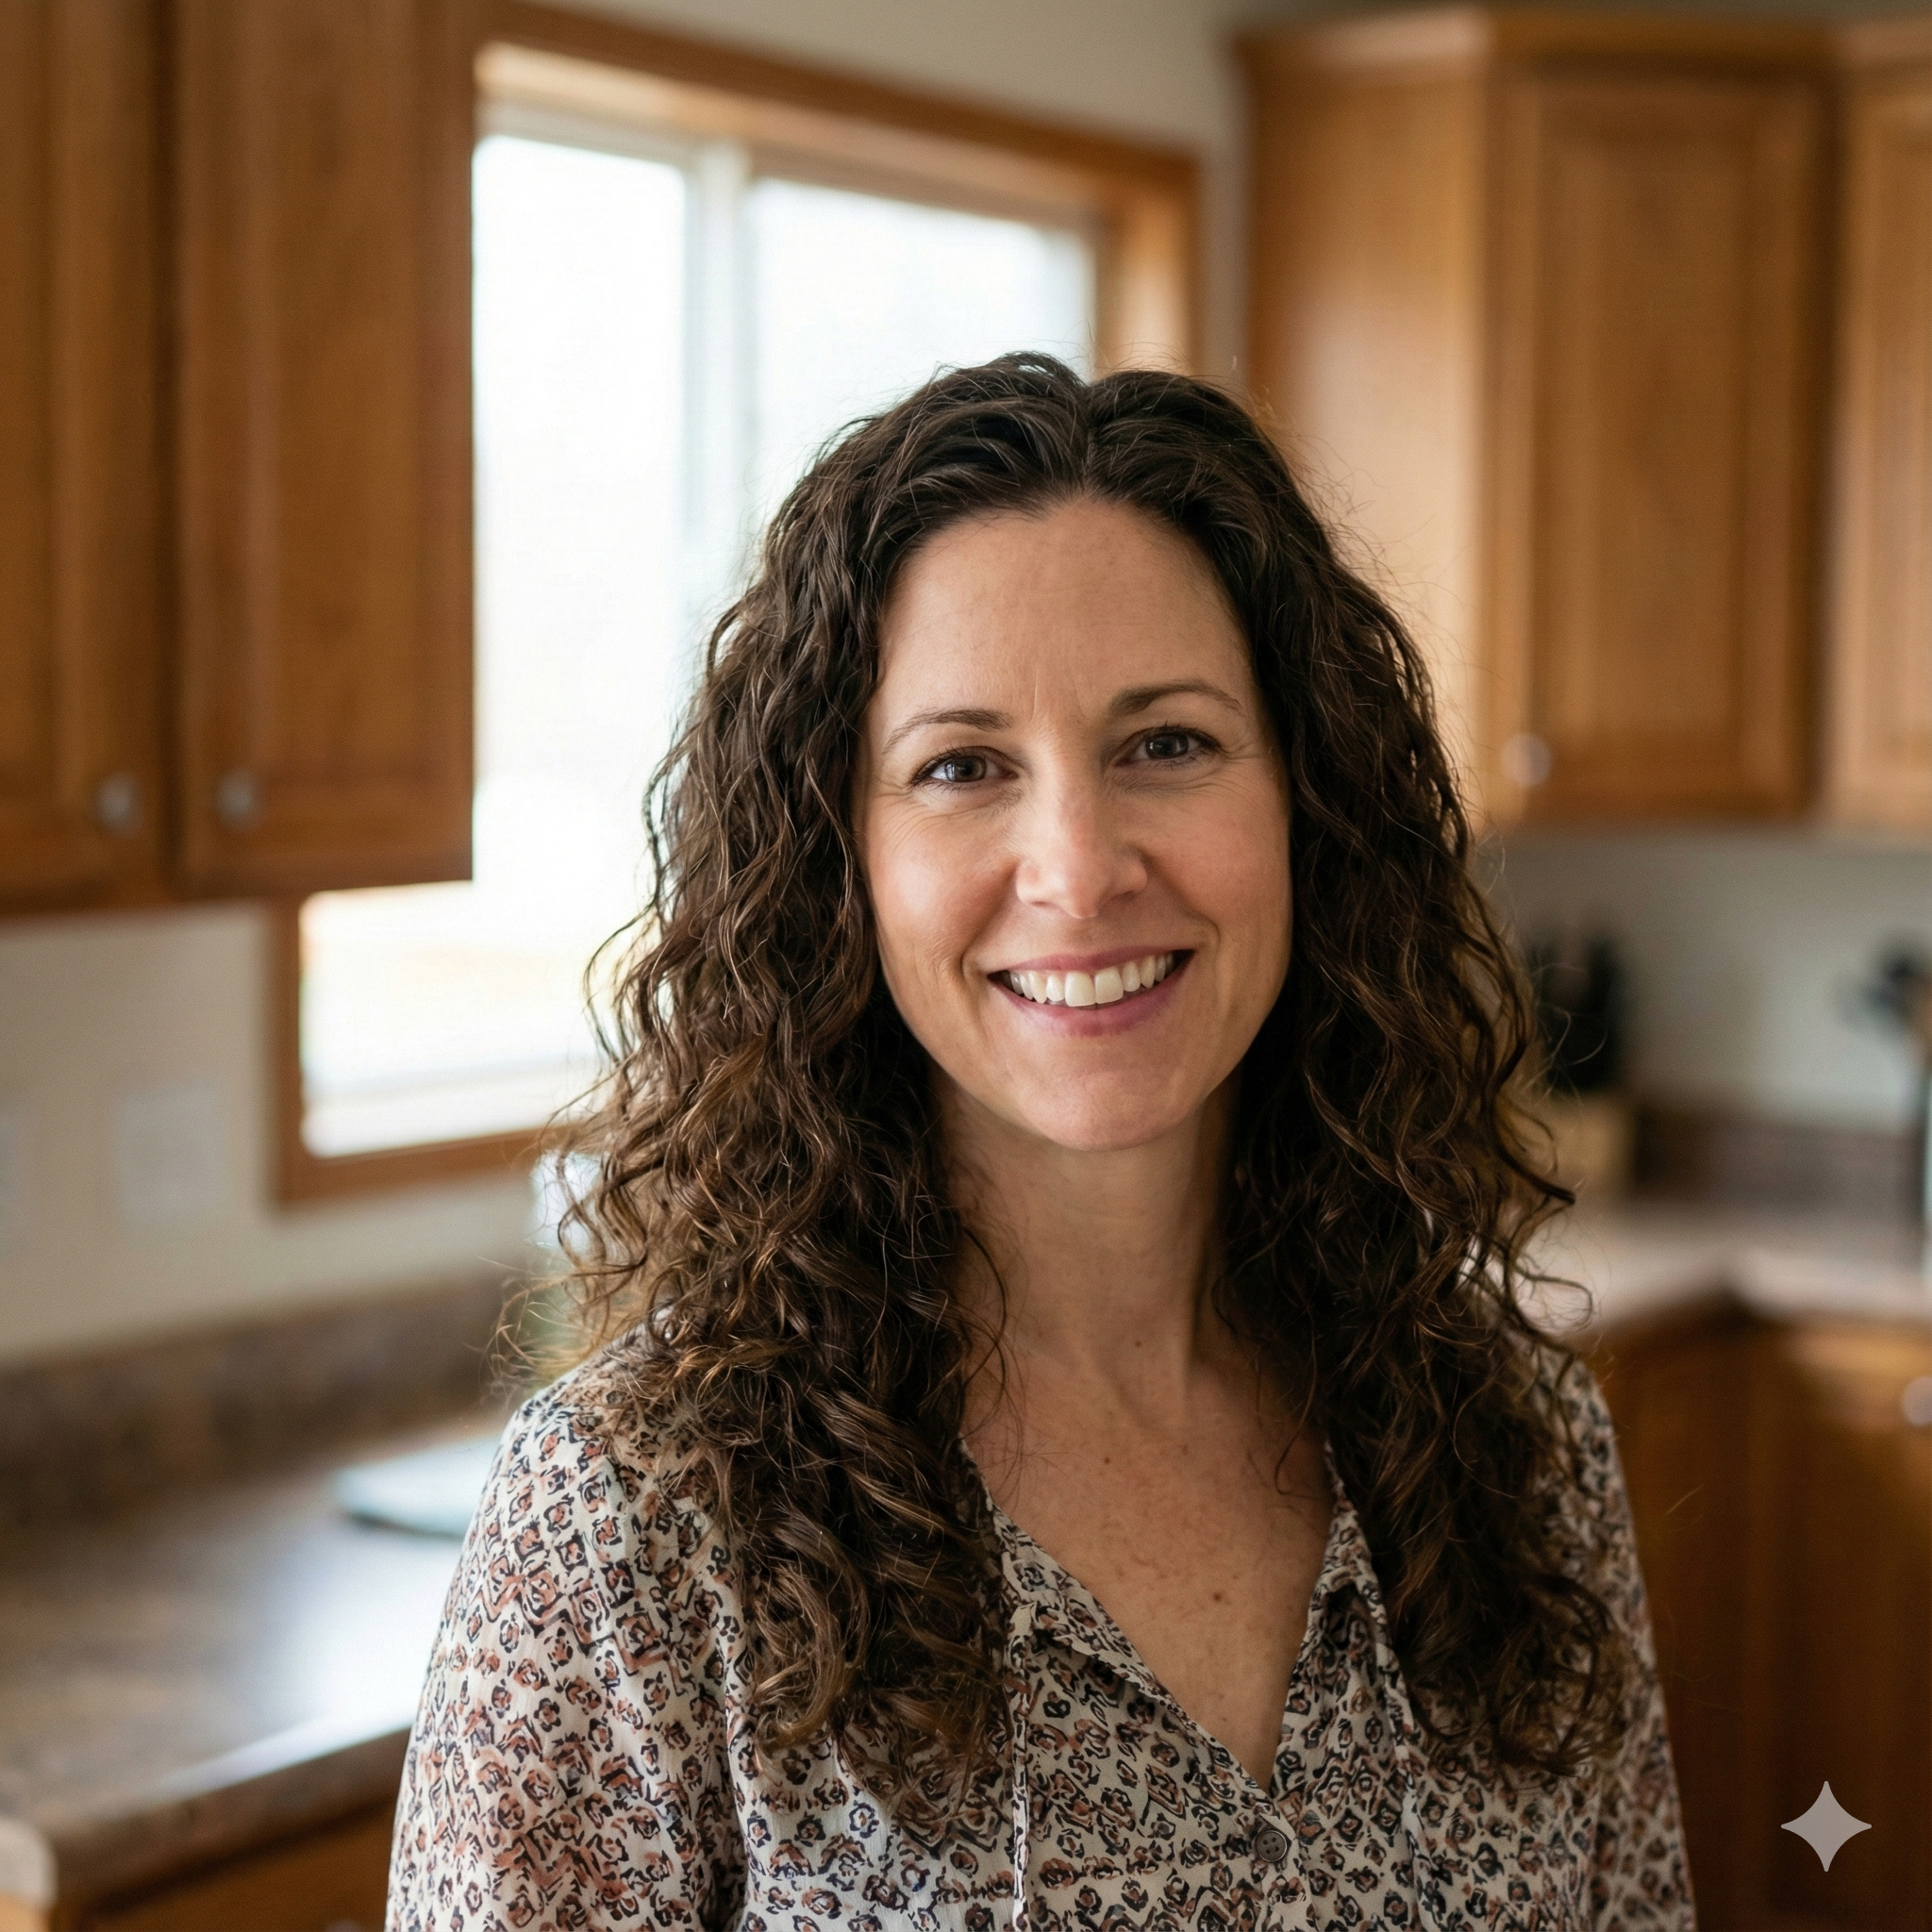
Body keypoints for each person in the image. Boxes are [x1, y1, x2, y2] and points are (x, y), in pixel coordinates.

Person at [387, 356, 1690, 1931]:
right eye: (961, 768)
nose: (1077, 869)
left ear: (1310, 803)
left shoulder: (1520, 1451)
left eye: (1168, 744)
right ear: (837, 861)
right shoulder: (630, 1531)